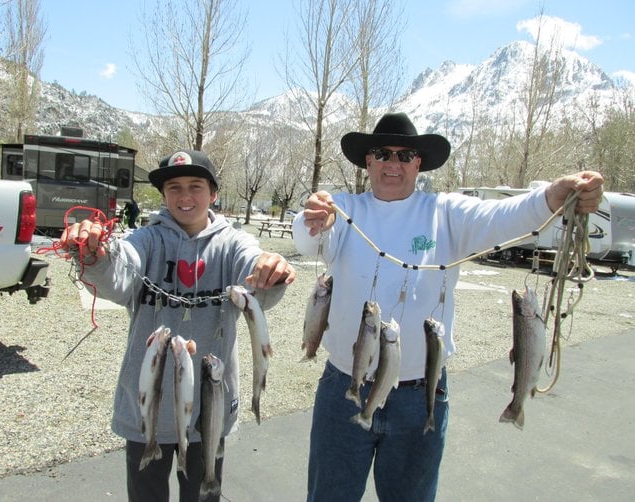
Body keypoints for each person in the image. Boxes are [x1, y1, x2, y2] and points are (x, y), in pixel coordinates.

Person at [292, 112, 604, 502]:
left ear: (418, 164)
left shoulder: (446, 212)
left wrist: (553, 196)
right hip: (344, 386)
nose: (393, 163)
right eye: (382, 153)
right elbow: (307, 238)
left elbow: (505, 217)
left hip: (420, 396)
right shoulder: (342, 208)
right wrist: (312, 220)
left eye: (405, 155)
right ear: (367, 161)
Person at [60, 149, 296, 502]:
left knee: (202, 494)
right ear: (164, 195)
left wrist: (269, 271)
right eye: (174, 188)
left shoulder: (232, 243)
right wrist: (94, 255)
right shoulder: (147, 239)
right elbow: (119, 272)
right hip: (147, 411)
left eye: (195, 186)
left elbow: (253, 272)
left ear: (213, 193)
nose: (185, 197)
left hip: (208, 410)